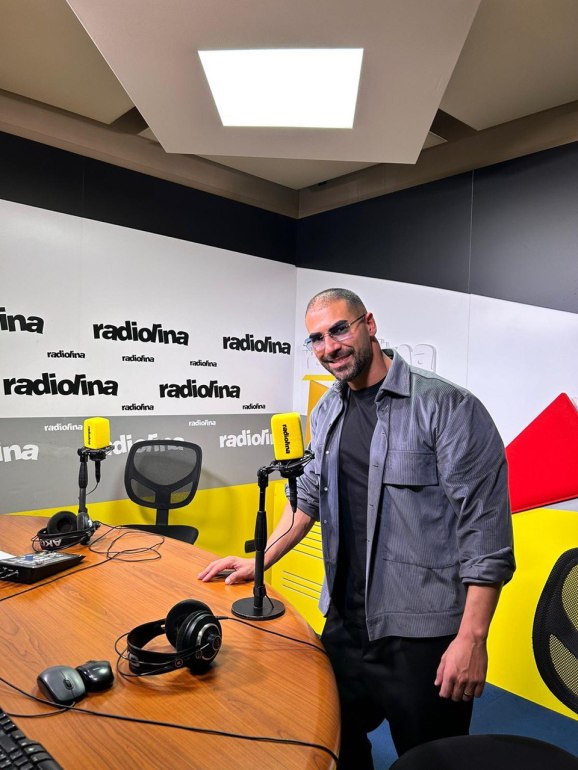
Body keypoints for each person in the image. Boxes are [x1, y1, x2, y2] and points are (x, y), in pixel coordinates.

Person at [199, 288, 515, 768]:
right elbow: (306, 499)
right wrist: (258, 562)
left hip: (422, 636)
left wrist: (472, 639)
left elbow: (485, 532)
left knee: (432, 760)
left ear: (369, 324)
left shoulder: (447, 406)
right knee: (337, 745)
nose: (330, 347)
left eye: (339, 329)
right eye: (317, 338)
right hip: (345, 625)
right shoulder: (327, 410)